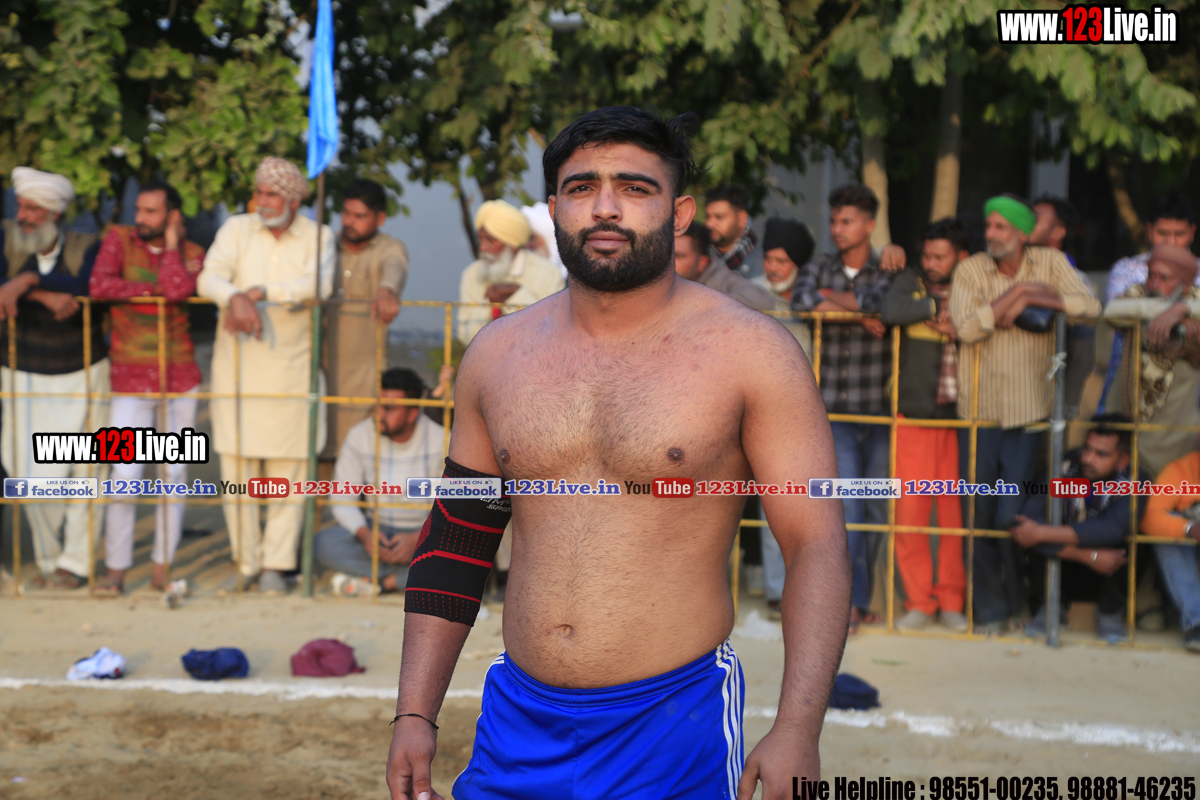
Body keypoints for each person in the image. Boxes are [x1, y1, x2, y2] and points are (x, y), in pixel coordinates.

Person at [386, 107, 850, 800]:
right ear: (554, 210)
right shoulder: (497, 355)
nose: (605, 207)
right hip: (518, 720)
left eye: (635, 187)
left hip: (673, 723)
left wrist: (798, 727)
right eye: (582, 188)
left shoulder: (753, 353)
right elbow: (457, 538)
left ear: (679, 212)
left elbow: (816, 543)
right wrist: (414, 713)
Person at [949, 194, 1102, 633]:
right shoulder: (971, 269)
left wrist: (1036, 294)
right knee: (978, 516)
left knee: (1010, 516)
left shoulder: (1050, 262)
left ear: (1022, 232)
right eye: (988, 225)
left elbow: (1090, 306)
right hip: (978, 413)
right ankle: (991, 611)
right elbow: (966, 327)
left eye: (1000, 226)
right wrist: (1015, 295)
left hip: (1029, 412)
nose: (991, 234)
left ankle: (1020, 604)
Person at [197, 157, 335, 594]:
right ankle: (247, 563)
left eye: (272, 194)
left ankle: (276, 565)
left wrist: (261, 292)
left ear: (293, 200)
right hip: (237, 374)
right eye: (259, 192)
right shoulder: (237, 229)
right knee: (237, 472)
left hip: (292, 375)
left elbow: (318, 286)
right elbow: (208, 278)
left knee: (290, 474)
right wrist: (234, 297)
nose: (262, 201)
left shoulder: (318, 235)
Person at [88, 180, 205, 596]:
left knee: (174, 475)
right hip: (130, 379)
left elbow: (178, 289)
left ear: (172, 216)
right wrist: (151, 291)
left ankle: (161, 568)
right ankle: (116, 571)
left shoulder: (192, 254)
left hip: (179, 378)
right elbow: (99, 285)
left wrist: (171, 246)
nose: (139, 218)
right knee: (123, 475)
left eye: (150, 211)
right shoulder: (118, 239)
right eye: (138, 209)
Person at [791, 182, 892, 634]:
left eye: (846, 221)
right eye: (834, 221)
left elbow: (884, 305)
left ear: (869, 225)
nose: (837, 229)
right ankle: (847, 605)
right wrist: (858, 313)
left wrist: (834, 302)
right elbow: (801, 299)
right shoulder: (819, 264)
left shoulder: (887, 266)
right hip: (834, 410)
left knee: (878, 510)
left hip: (881, 409)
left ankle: (867, 599)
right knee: (847, 507)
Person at [0, 167, 108, 590]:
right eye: (22, 206)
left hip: (85, 372)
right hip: (22, 372)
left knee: (88, 472)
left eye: (33, 209)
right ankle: (48, 560)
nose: (23, 216)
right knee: (28, 474)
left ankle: (75, 565)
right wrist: (44, 293)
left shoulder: (86, 245)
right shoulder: (6, 239)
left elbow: (91, 285)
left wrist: (27, 281)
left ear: (55, 214)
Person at [879, 218, 970, 632]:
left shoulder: (973, 286)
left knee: (953, 518)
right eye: (927, 255)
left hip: (960, 422)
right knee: (910, 514)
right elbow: (891, 310)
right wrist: (935, 306)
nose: (931, 263)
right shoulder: (911, 281)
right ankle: (919, 601)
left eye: (940, 256)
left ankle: (951, 601)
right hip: (912, 418)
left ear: (961, 257)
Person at [1010, 414, 1138, 643]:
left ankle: (1109, 613)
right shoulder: (1066, 466)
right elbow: (1027, 519)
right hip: (1062, 567)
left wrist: (1041, 534)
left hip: (1109, 569)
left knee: (1138, 539)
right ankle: (1051, 606)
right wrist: (1086, 556)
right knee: (1031, 527)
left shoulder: (1135, 479)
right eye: (1087, 449)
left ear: (1123, 460)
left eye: (1101, 454)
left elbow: (1112, 529)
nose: (1088, 458)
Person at [316, 368, 444, 596]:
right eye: (377, 405)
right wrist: (365, 535)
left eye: (389, 408)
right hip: (377, 532)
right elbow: (342, 497)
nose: (378, 414)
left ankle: (386, 583)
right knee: (324, 543)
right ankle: (413, 576)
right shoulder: (360, 435)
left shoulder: (441, 440)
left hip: (427, 533)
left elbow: (456, 505)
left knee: (463, 548)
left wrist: (418, 538)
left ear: (412, 414)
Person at [752, 216, 816, 616]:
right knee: (771, 504)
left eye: (782, 261)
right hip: (764, 413)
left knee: (811, 507)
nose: (773, 268)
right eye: (769, 259)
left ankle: (808, 587)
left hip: (809, 415)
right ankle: (777, 591)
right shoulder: (753, 293)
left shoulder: (813, 296)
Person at [323, 178, 410, 458]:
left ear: (379, 218)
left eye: (359, 216)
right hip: (320, 375)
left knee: (357, 458)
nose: (350, 221)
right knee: (318, 458)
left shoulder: (388, 247)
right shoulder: (325, 246)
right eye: (346, 213)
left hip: (365, 382)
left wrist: (387, 290)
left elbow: (395, 265)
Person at [1103, 243, 1200, 479]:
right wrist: (1168, 311)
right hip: (1128, 417)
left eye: (1164, 278)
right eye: (1151, 275)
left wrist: (1183, 308)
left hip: (1174, 429)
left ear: (1185, 286)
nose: (1154, 284)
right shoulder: (1138, 293)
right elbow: (1112, 311)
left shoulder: (1194, 301)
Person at [1100, 192, 1200, 413]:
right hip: (1128, 391)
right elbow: (1114, 310)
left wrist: (1182, 308)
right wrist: (1174, 312)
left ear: (1192, 232)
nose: (1171, 242)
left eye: (1179, 234)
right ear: (1149, 230)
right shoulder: (1128, 269)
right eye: (1163, 233)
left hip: (1188, 401)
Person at [456, 199, 564, 344]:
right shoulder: (472, 274)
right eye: (480, 239)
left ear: (511, 244)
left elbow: (551, 331)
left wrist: (516, 293)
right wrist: (489, 305)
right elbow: (464, 336)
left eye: (490, 240)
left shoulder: (548, 273)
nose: (482, 247)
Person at [1029, 195, 1095, 420]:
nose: (1024, 223)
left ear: (1058, 232)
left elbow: (1083, 355)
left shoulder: (1075, 281)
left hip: (1046, 407)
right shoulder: (1010, 270)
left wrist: (1064, 409)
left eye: (1034, 219)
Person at [1139, 443, 1200, 653]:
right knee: (1168, 530)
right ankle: (1198, 621)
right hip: (1191, 554)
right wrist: (1188, 528)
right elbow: (1148, 517)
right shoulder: (1182, 470)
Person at [674, 222, 774, 311]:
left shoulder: (721, 280)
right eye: (668, 254)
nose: (670, 261)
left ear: (702, 262)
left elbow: (762, 300)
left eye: (678, 256)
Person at [704, 185, 759, 275]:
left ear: (741, 218)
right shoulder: (700, 251)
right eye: (708, 217)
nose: (709, 224)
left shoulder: (759, 263)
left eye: (719, 217)